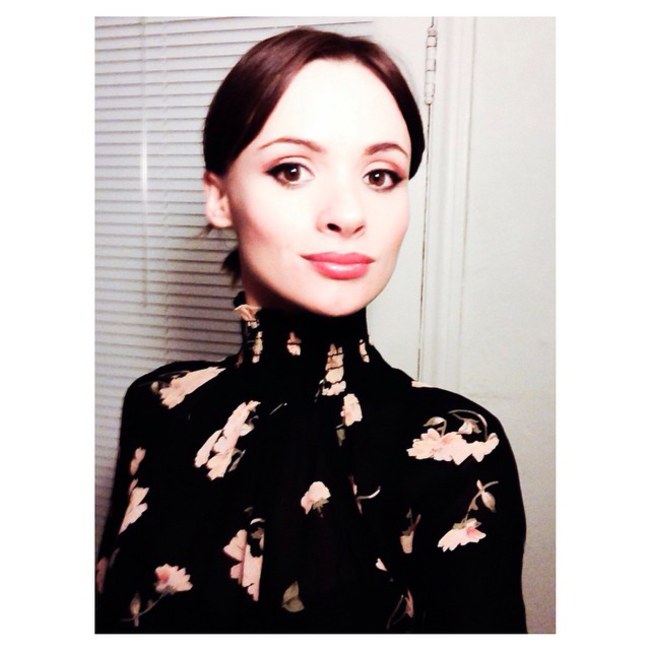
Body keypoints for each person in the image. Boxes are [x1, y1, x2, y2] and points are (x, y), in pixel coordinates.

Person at [95, 27, 527, 633]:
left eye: (381, 175)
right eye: (292, 169)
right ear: (219, 197)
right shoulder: (158, 405)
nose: (348, 214)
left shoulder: (456, 448)